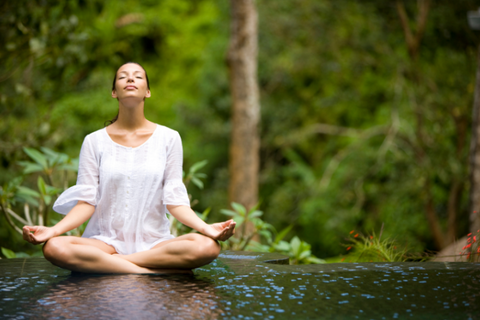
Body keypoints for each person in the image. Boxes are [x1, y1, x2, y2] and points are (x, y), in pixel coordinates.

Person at [22, 62, 236, 274]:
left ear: (148, 92)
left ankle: (117, 264)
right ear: (114, 92)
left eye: (138, 76)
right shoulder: (94, 141)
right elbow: (86, 202)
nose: (130, 79)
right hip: (104, 242)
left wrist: (207, 228)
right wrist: (53, 230)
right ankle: (149, 272)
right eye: (123, 76)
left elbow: (174, 201)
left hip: (155, 243)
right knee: (54, 247)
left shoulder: (169, 138)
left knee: (207, 246)